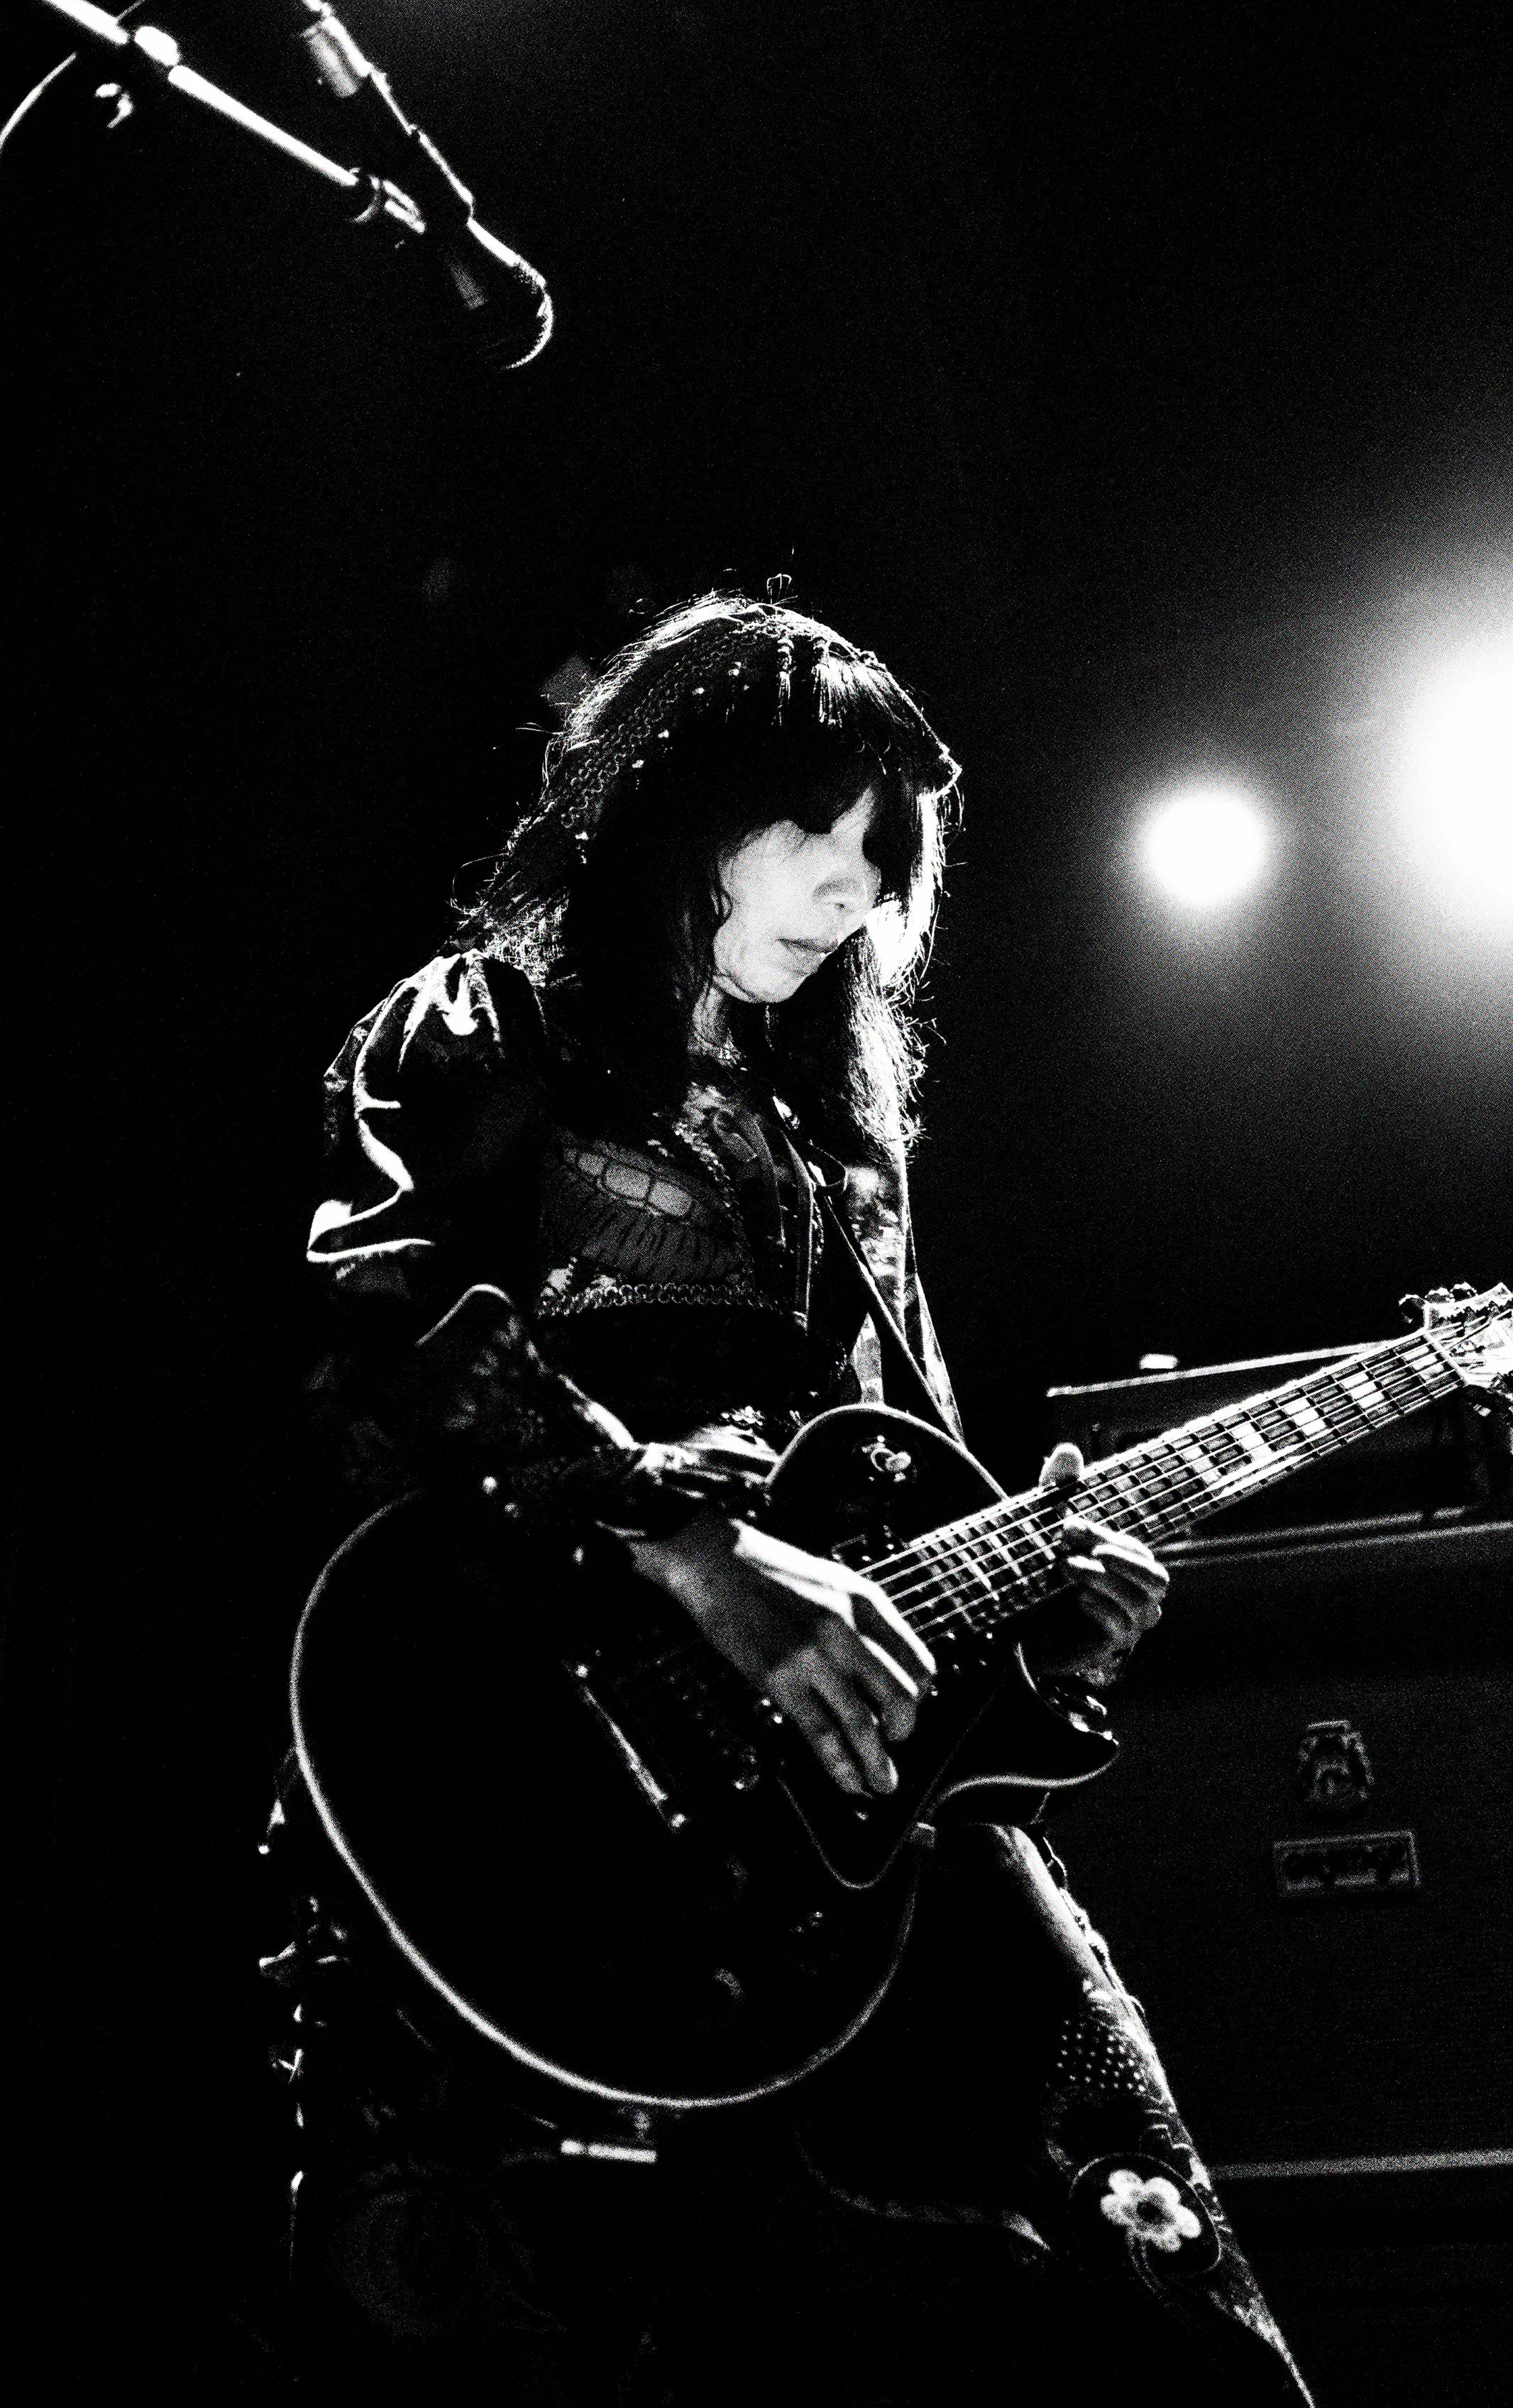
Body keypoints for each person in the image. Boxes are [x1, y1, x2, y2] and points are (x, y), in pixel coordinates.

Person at [270, 594, 1311, 2406]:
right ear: (673, 807)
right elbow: (373, 1327)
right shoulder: (487, 1023)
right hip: (539, 1781)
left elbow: (906, 1492)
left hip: (858, 1842)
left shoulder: (836, 1138)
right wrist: (689, 1541)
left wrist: (1042, 1614)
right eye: (807, 830)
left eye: (877, 855)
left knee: (1146, 2297)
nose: (850, 890)